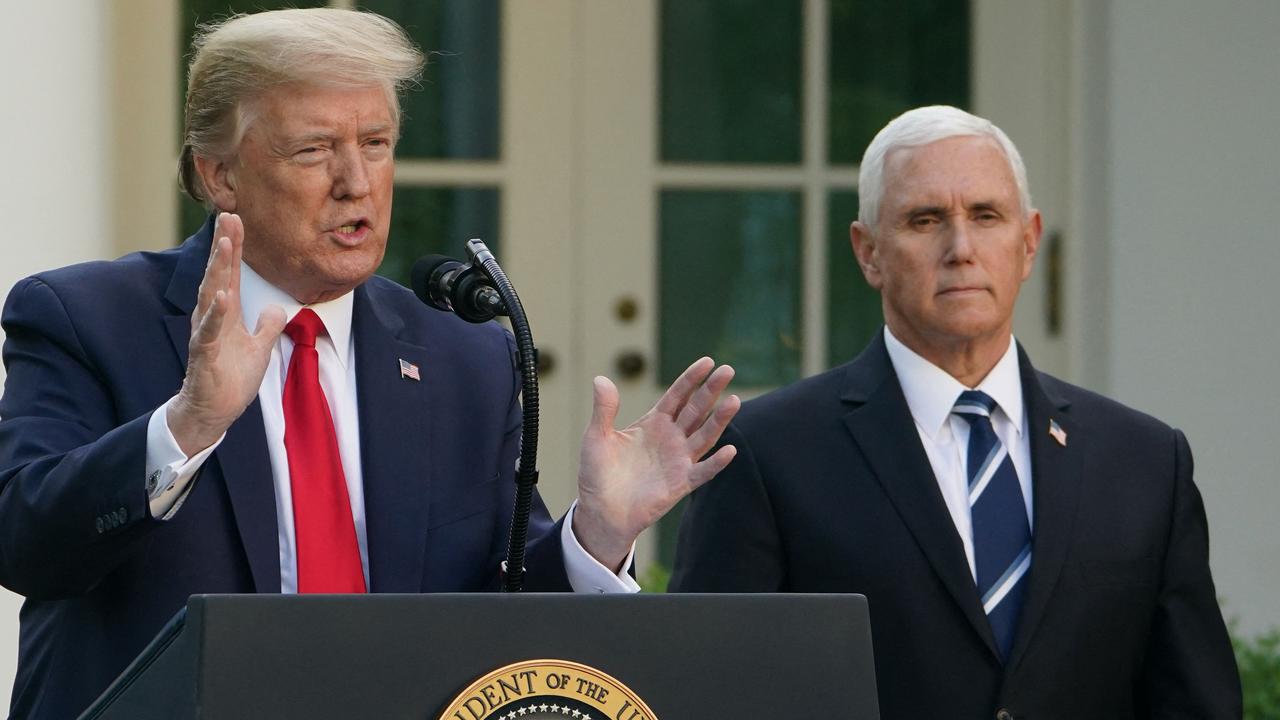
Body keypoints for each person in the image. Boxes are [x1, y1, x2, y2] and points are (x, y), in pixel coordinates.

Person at [0, 9, 739, 719]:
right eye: (314, 149)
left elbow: (503, 619)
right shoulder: (85, 319)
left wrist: (598, 537)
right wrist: (186, 427)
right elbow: (25, 544)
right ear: (220, 175)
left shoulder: (463, 360)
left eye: (377, 144)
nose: (356, 181)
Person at [670, 105, 1241, 718]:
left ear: (1028, 243)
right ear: (868, 253)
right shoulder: (767, 452)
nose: (961, 247)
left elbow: (1194, 702)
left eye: (987, 216)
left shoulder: (1146, 462)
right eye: (925, 219)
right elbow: (711, 690)